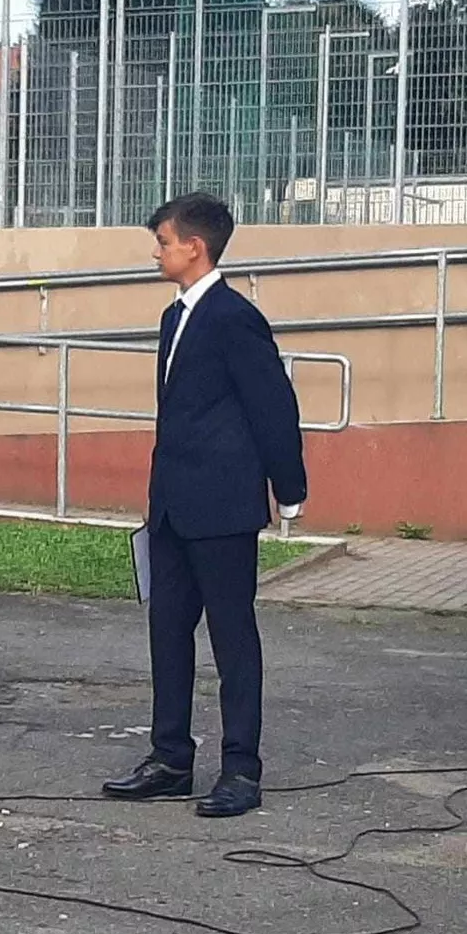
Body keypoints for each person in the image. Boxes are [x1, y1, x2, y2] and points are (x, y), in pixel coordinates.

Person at [103, 192, 307, 818]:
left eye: (163, 242)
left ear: (194, 247)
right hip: (172, 503)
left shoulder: (233, 317)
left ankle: (241, 768)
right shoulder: (175, 316)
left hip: (222, 505)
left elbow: (273, 406)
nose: (156, 252)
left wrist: (289, 488)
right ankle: (171, 758)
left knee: (231, 636)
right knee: (168, 631)